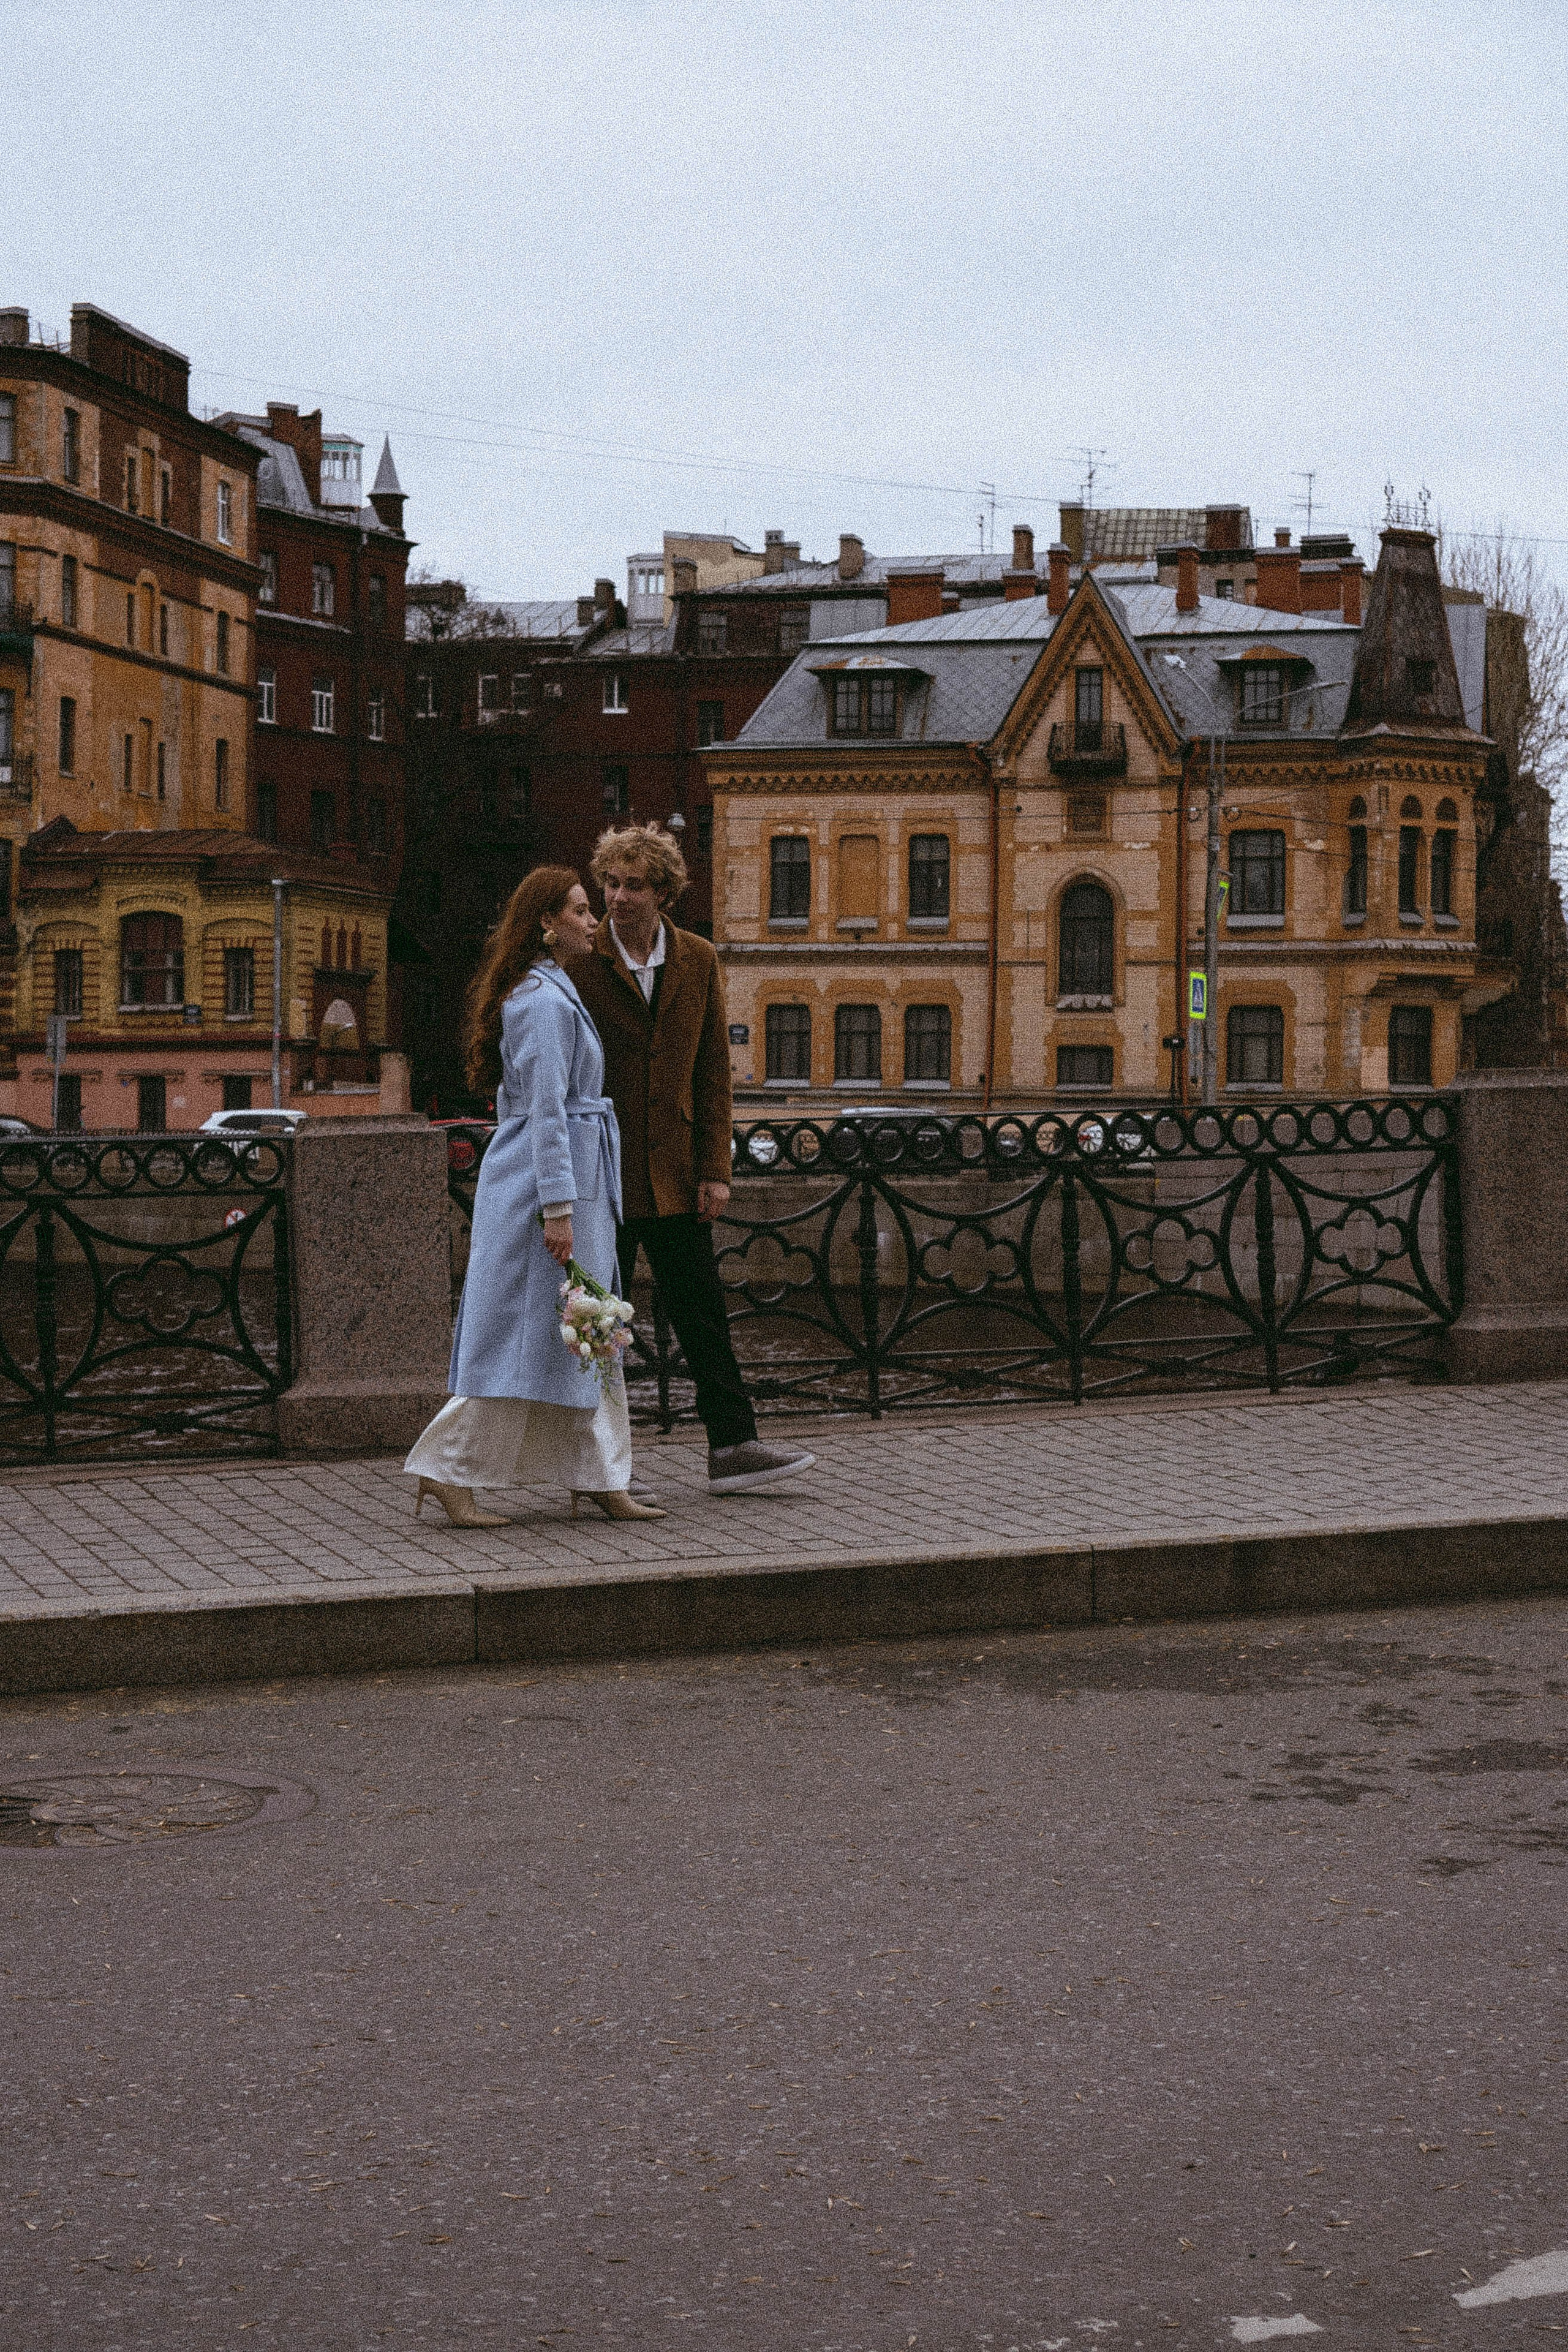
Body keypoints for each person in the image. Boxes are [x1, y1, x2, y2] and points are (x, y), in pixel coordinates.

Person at [404, 865, 664, 1527]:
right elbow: (547, 1111)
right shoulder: (544, 1002)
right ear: (546, 923)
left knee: (588, 1330)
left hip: (569, 1179)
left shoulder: (549, 991)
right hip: (546, 1191)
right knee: (526, 1337)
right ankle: (446, 1470)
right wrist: (558, 1210)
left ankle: (600, 1475)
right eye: (578, 910)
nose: (593, 920)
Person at [565, 822, 814, 1497]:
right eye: (610, 884)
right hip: (602, 1175)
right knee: (597, 1326)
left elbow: (712, 1073)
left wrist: (716, 1170)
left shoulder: (698, 958)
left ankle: (732, 1446)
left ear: (664, 894)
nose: (619, 898)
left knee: (703, 1316)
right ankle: (597, 1467)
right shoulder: (580, 960)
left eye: (634, 886)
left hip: (676, 1174)